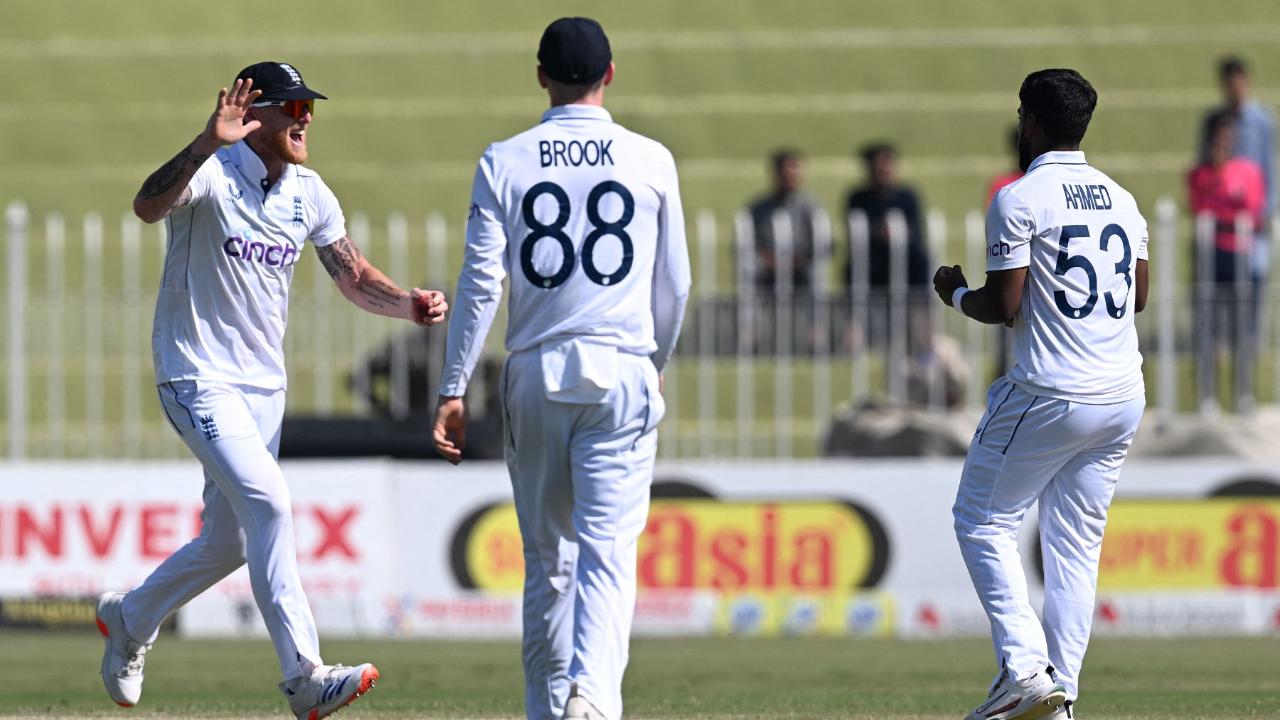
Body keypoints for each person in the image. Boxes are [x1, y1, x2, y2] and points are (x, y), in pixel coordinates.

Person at [97, 61, 448, 720]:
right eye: (292, 107)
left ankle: (131, 617)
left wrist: (407, 304)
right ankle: (304, 677)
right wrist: (206, 142)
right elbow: (146, 206)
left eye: (308, 107)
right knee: (272, 503)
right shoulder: (212, 172)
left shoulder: (309, 193)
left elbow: (352, 275)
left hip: (264, 389)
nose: (305, 118)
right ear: (252, 115)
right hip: (196, 375)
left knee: (230, 542)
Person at [432, 17, 690, 720]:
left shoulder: (504, 159)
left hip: (536, 368)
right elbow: (676, 284)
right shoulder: (651, 158)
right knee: (608, 552)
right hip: (623, 366)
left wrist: (453, 386)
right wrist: (655, 361)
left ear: (541, 76)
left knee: (548, 558)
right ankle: (592, 699)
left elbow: (480, 284)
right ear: (610, 74)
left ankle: (547, 709)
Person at [932, 69, 1149, 720]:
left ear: (1029, 121)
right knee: (1075, 547)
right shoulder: (1122, 198)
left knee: (981, 520)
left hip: (1051, 389)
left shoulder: (1019, 197)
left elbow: (1003, 305)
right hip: (1121, 394)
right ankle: (1060, 700)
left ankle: (1026, 670)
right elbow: (1138, 295)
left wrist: (954, 293)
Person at [1188, 112, 1267, 407]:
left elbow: (1253, 212)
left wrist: (1228, 216)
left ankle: (1243, 394)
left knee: (1242, 329)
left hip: (1240, 256)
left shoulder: (1249, 172)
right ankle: (1207, 396)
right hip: (1210, 256)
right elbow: (1200, 208)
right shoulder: (1200, 174)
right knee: (1208, 330)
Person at [1199, 56, 1276, 278]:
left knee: (1254, 274)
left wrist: (1267, 210)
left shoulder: (1263, 121)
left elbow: (1269, 165)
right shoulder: (1214, 120)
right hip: (1222, 214)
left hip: (1253, 214)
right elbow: (1203, 165)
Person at [746, 149, 826, 292]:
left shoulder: (812, 207)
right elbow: (749, 243)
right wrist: (770, 260)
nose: (789, 175)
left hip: (801, 269)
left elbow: (824, 243)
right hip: (767, 270)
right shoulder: (758, 208)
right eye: (784, 171)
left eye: (794, 169)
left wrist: (796, 260)